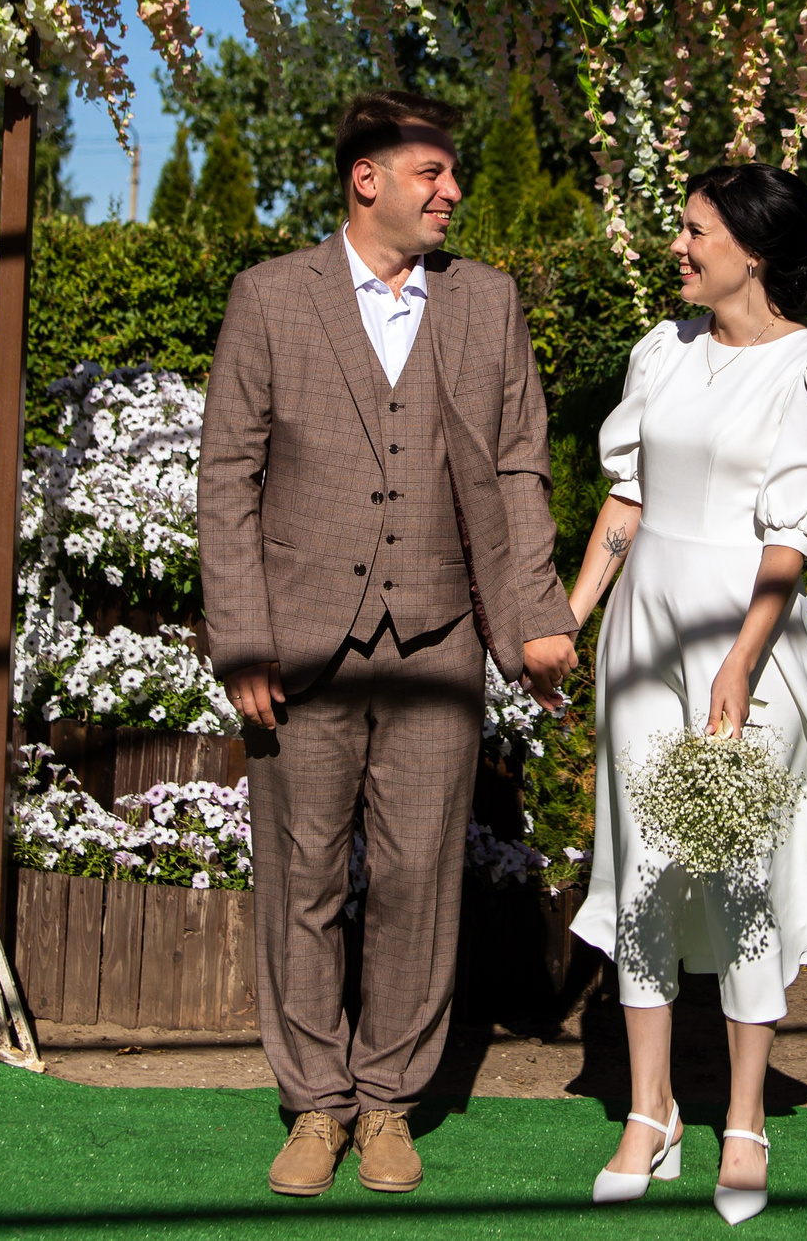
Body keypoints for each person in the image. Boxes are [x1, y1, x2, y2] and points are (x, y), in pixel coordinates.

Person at [196, 89, 582, 1198]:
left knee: (419, 879)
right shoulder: (269, 297)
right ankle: (314, 1102)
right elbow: (228, 480)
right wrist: (244, 642)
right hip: (299, 646)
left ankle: (387, 1104)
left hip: (438, 640)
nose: (451, 191)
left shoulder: (487, 303)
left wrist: (534, 619)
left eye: (452, 174)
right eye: (432, 173)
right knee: (302, 880)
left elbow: (518, 464)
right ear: (367, 178)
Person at [566, 162, 807, 1226]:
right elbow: (628, 495)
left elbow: (792, 540)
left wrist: (741, 663)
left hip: (742, 641)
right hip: (639, 635)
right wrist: (567, 618)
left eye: (694, 230)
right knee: (643, 862)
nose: (678, 245)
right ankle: (648, 1110)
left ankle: (743, 1117)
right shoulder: (662, 351)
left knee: (737, 867)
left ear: (750, 248)